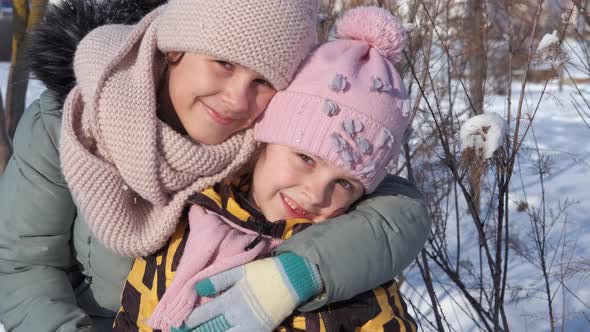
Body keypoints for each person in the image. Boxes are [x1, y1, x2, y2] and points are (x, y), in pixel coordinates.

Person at [0, 0, 431, 331]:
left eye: (262, 80)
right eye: (223, 62)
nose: (237, 100)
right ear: (176, 50)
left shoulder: (273, 139)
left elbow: (394, 211)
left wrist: (298, 274)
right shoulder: (70, 123)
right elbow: (22, 264)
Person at [114, 6, 418, 332]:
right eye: (305, 158)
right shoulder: (186, 220)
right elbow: (134, 314)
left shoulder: (356, 291)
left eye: (345, 183)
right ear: (265, 140)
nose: (315, 194)